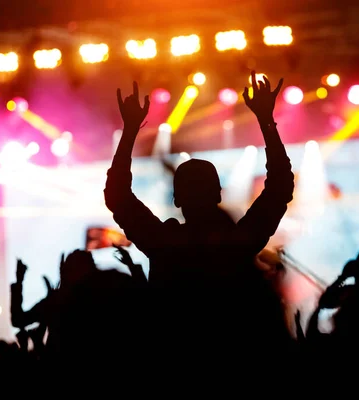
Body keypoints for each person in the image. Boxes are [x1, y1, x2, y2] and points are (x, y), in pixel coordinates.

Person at [104, 72, 296, 360]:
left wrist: (131, 130)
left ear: (177, 199)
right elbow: (280, 186)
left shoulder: (164, 243)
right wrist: (266, 121)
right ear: (219, 195)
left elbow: (118, 196)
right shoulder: (238, 242)